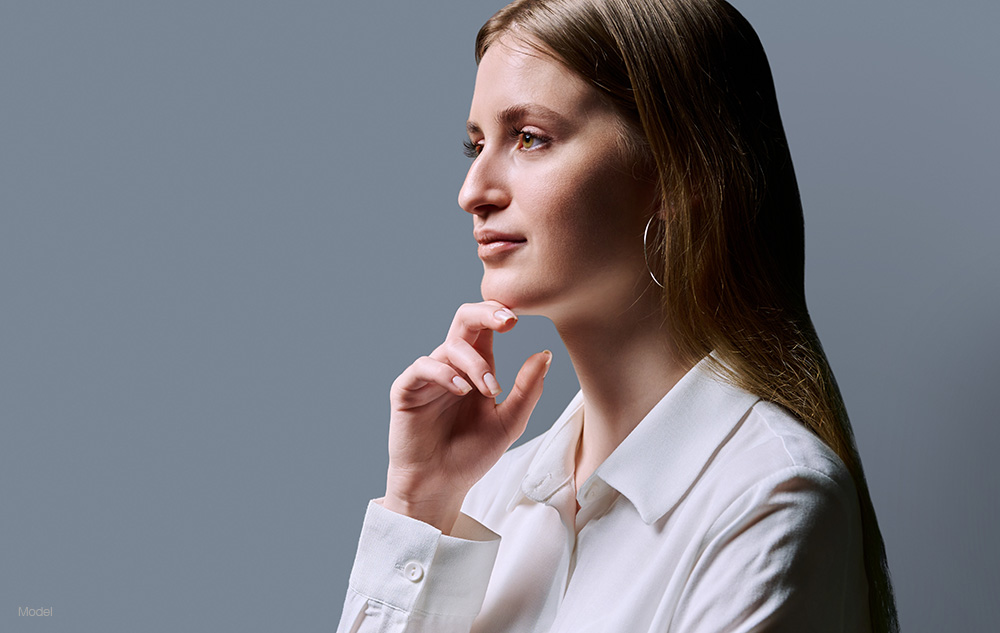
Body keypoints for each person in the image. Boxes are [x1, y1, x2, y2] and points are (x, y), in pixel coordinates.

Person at [336, 0, 898, 631]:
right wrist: (419, 504)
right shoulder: (488, 500)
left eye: (529, 138)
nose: (473, 192)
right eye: (477, 145)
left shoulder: (770, 497)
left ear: (678, 170)